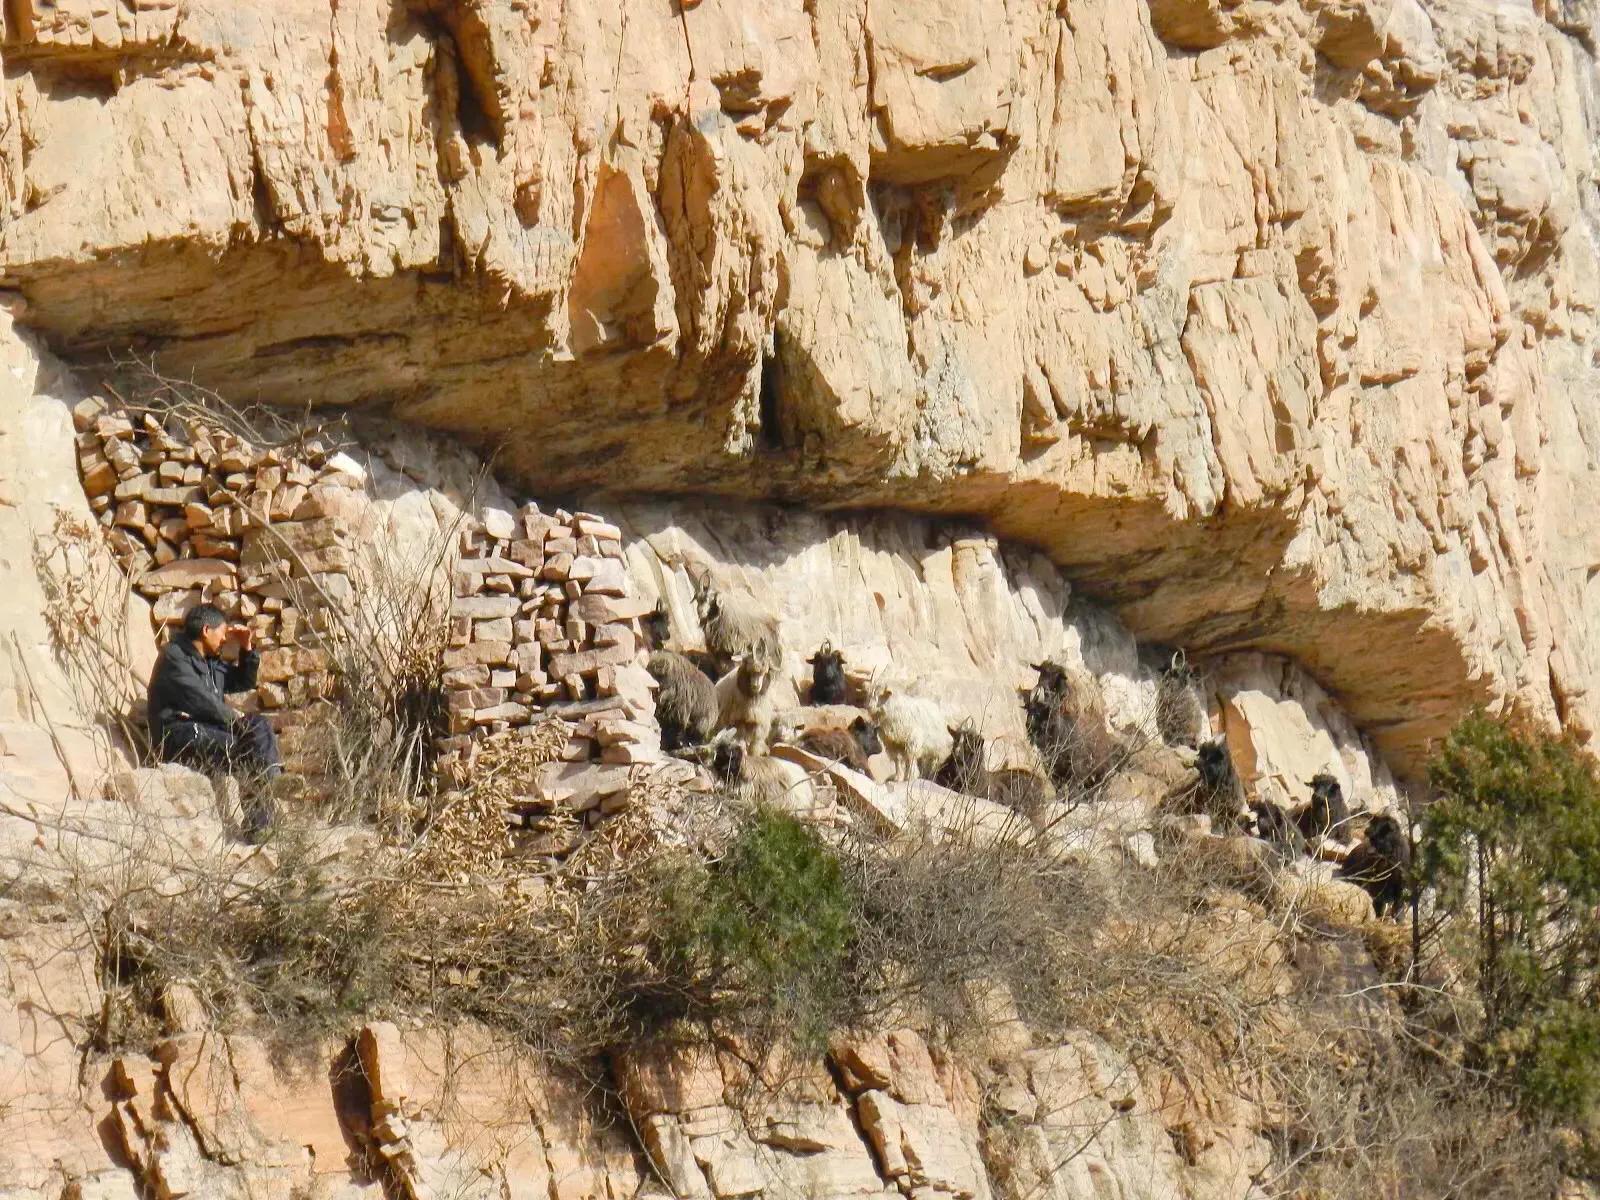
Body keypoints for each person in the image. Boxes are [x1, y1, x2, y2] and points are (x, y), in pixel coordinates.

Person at [147, 602, 282, 840]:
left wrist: (247, 648)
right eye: (222, 632)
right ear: (206, 630)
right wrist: (236, 720)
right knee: (247, 748)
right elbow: (199, 701)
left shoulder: (211, 663)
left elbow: (243, 681)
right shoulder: (174, 657)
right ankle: (265, 806)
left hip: (208, 730)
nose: (223, 640)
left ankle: (263, 815)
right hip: (179, 735)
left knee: (258, 727)